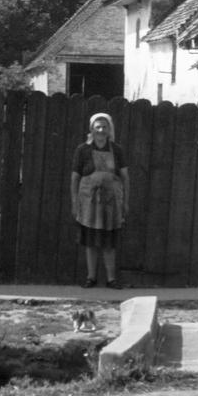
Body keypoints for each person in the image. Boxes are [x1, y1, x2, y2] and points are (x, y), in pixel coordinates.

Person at [70, 112, 129, 289]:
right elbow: (74, 178)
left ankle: (111, 279)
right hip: (89, 202)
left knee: (109, 242)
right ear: (92, 129)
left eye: (104, 127)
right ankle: (91, 277)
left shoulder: (117, 150)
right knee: (90, 241)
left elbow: (125, 177)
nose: (101, 130)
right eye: (98, 127)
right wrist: (75, 203)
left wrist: (125, 201)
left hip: (111, 203)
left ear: (109, 129)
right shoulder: (83, 150)